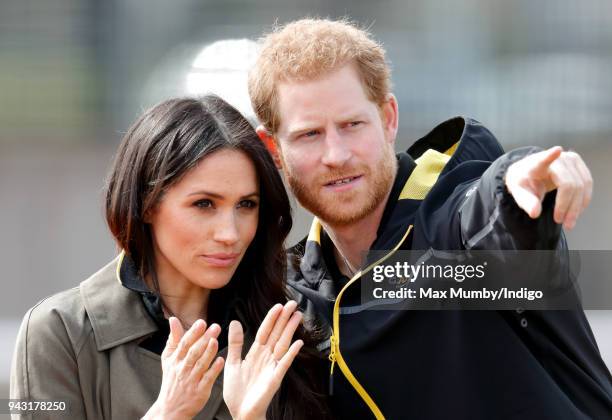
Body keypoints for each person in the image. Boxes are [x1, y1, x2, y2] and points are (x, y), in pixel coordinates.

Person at [248, 18, 612, 419]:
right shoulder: (291, 303)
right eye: (309, 135)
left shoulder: (452, 228)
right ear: (274, 149)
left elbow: (491, 220)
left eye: (352, 125)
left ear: (388, 119)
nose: (336, 154)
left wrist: (516, 184)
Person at [10, 95, 330, 419]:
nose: (230, 234)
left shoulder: (282, 330)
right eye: (204, 204)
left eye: (246, 205)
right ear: (147, 204)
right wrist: (167, 413)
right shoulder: (56, 333)